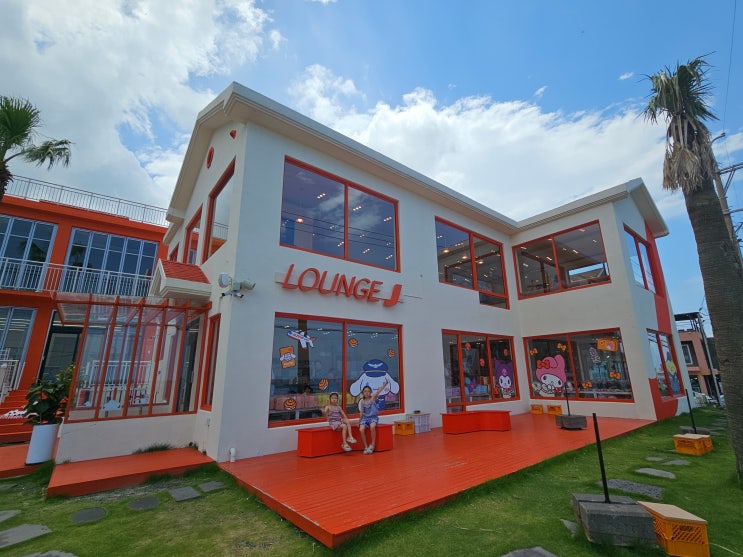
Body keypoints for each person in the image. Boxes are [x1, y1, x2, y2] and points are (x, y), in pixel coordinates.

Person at [357, 378, 389, 454]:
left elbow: (379, 390)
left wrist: (385, 383)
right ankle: (366, 446)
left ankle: (372, 445)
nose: (367, 393)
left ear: (370, 392)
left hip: (373, 418)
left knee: (372, 427)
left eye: (368, 391)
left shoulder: (373, 398)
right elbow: (361, 412)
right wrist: (359, 421)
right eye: (365, 391)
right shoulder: (362, 402)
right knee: (361, 429)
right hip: (365, 418)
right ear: (363, 393)